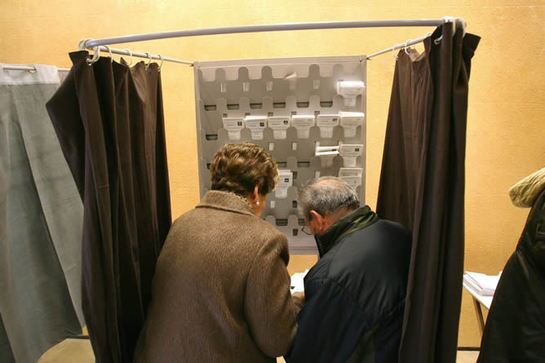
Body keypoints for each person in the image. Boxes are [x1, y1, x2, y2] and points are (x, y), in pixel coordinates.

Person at [135, 143, 302, 363]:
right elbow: (276, 341)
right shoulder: (265, 241)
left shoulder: (181, 224)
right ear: (255, 192)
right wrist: (296, 303)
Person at [286, 177, 411, 363]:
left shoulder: (328, 275)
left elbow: (308, 353)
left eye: (308, 226)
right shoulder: (399, 233)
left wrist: (295, 307)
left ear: (318, 219)